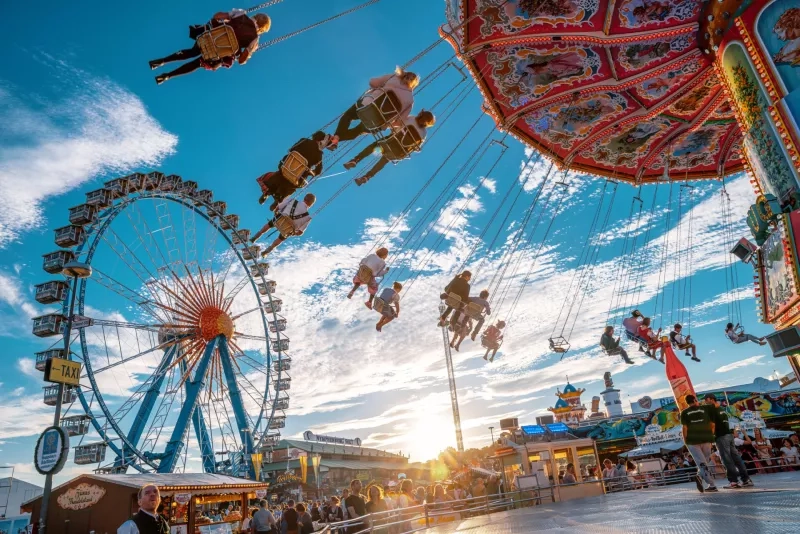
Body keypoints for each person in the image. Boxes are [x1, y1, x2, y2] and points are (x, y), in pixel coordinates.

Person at [150, 9, 271, 84]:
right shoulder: (255, 39)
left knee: (191, 52)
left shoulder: (241, 14)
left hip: (210, 38)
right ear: (261, 29)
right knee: (198, 63)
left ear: (255, 16)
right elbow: (241, 60)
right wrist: (250, 52)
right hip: (218, 53)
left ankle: (161, 61)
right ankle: (167, 76)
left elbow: (217, 16)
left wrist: (229, 19)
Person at [346, 111, 436, 186]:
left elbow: (398, 124)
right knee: (385, 159)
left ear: (421, 114)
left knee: (375, 145)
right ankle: (367, 177)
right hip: (399, 153)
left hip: (391, 142)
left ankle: (356, 160)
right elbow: (416, 148)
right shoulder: (424, 134)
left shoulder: (412, 118)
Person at [333, 68, 420, 143]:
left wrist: (381, 85)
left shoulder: (393, 78)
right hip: (379, 122)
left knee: (348, 116)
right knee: (358, 131)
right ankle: (335, 140)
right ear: (414, 84)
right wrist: (386, 125)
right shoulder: (410, 101)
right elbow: (400, 122)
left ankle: (335, 138)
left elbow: (373, 83)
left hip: (367, 106)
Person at [257, 132, 336, 209]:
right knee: (293, 184)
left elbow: (292, 149)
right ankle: (278, 199)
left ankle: (268, 191)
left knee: (281, 175)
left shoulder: (303, 140)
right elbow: (318, 171)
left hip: (286, 167)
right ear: (321, 141)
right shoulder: (318, 155)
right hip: (297, 177)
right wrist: (310, 172)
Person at [704, 393, 753, 488]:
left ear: (710, 399)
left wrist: (710, 437)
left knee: (727, 460)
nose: (705, 402)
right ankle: (746, 479)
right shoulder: (722, 409)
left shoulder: (712, 410)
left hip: (721, 436)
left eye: (706, 400)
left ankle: (733, 482)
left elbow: (712, 425)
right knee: (737, 458)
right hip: (729, 436)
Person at [251, 194, 316, 256]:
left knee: (271, 223)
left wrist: (276, 213)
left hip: (279, 220)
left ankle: (255, 237)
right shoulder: (308, 218)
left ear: (304, 198)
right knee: (283, 236)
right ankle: (268, 250)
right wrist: (293, 233)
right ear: (311, 204)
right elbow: (300, 232)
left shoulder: (292, 200)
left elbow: (278, 207)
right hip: (287, 230)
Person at [680, 394, 719, 492]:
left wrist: (685, 441)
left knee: (702, 463)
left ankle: (709, 483)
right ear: (695, 399)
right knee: (705, 462)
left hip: (692, 441)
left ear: (687, 402)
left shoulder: (684, 412)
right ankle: (704, 479)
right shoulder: (705, 408)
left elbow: (684, 428)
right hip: (706, 438)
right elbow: (717, 405)